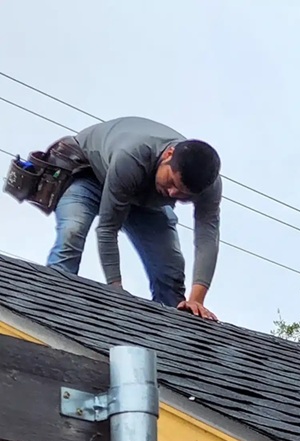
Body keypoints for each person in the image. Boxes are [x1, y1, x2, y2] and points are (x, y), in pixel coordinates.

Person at [45, 116, 223, 320]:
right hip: (92, 175)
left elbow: (207, 239)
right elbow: (107, 229)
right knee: (72, 232)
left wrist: (196, 301)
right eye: (171, 182)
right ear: (168, 154)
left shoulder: (210, 186)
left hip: (143, 199)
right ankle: (53, 303)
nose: (173, 194)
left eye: (184, 194)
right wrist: (116, 289)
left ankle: (175, 332)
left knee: (170, 272)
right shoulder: (132, 155)